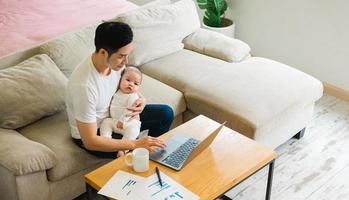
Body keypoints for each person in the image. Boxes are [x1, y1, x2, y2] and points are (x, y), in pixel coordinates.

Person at [65, 21, 174, 159]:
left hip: (116, 114)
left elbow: (128, 84)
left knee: (165, 113)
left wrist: (141, 100)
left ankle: (148, 157)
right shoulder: (84, 86)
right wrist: (135, 144)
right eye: (122, 56)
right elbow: (90, 141)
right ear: (103, 53)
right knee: (125, 151)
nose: (126, 61)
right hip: (96, 131)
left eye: (127, 55)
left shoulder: (113, 64)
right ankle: (139, 157)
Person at [100, 67, 143, 157]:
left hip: (128, 123)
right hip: (115, 120)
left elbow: (130, 109)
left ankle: (123, 149)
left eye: (136, 83)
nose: (131, 84)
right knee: (105, 122)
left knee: (133, 131)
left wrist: (122, 120)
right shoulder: (118, 91)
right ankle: (106, 139)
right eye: (128, 80)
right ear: (120, 80)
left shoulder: (133, 96)